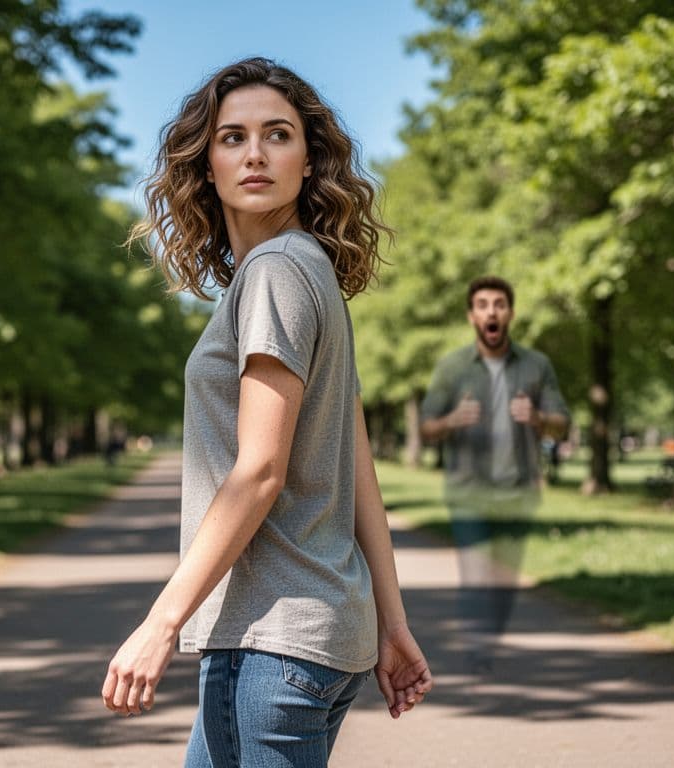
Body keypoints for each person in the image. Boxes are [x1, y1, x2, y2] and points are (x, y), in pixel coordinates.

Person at [102, 57, 433, 766]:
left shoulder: (277, 272)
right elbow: (357, 463)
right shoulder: (308, 267)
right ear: (207, 163)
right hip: (314, 640)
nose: (255, 153)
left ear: (310, 161)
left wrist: (160, 624)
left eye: (277, 135)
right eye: (233, 137)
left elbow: (259, 471)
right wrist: (390, 619)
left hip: (270, 644)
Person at [419, 276, 569, 669]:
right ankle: (478, 651)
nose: (491, 311)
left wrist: (537, 417)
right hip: (468, 491)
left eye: (499, 304)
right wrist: (451, 420)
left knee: (504, 583)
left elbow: (563, 424)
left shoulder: (537, 366)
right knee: (475, 575)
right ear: (472, 316)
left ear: (510, 314)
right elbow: (425, 427)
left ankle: (488, 638)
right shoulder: (452, 368)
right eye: (483, 304)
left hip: (517, 493)